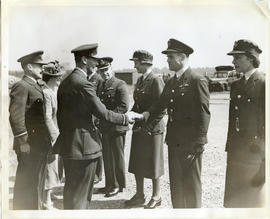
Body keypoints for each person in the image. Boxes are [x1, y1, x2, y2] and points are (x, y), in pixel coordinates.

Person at [54, 44, 141, 209]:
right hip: (83, 149)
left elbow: (61, 118)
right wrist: (125, 118)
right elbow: (104, 113)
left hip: (69, 146)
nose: (96, 64)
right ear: (85, 60)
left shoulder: (66, 82)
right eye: (94, 60)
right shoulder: (83, 84)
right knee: (81, 198)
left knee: (71, 194)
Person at [141, 39, 210, 208]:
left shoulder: (196, 80)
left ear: (182, 57)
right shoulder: (171, 82)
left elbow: (204, 113)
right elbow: (160, 104)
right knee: (177, 186)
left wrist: (199, 142)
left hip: (190, 143)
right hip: (174, 141)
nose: (167, 60)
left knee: (191, 185)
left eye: (170, 57)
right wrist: (146, 114)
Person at [224, 39, 265, 208]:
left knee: (253, 200)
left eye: (238, 58)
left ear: (250, 58)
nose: (233, 62)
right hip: (236, 150)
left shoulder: (263, 83)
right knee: (236, 199)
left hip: (254, 152)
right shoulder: (236, 85)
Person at [9, 51, 50, 209]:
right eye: (39, 66)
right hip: (29, 145)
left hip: (38, 144)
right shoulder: (21, 85)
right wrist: (23, 144)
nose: (42, 68)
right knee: (27, 184)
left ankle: (35, 209)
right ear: (29, 67)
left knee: (36, 182)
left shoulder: (35, 85)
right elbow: (15, 117)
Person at [125, 50, 166, 209]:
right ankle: (140, 195)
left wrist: (148, 127)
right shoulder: (141, 80)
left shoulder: (156, 80)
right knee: (137, 161)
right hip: (140, 127)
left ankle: (157, 196)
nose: (134, 66)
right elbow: (138, 104)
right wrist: (130, 114)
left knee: (154, 163)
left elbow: (162, 108)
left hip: (153, 129)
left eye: (136, 62)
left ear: (145, 63)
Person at [96, 57, 129, 197]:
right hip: (105, 126)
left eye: (106, 70)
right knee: (107, 156)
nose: (105, 73)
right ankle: (109, 184)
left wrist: (108, 117)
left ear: (111, 68)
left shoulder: (120, 84)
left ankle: (118, 185)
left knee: (117, 156)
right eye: (101, 71)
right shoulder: (101, 85)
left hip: (116, 127)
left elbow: (123, 106)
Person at [41, 61, 63, 209]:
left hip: (57, 133)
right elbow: (47, 117)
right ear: (51, 78)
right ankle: (46, 200)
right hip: (50, 136)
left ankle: (51, 193)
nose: (60, 79)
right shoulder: (47, 93)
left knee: (55, 166)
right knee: (49, 167)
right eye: (57, 76)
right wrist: (55, 136)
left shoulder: (54, 91)